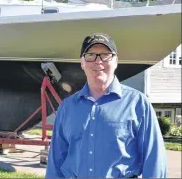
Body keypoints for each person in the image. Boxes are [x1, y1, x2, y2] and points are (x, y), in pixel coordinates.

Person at [46, 32, 167, 178]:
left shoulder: (138, 104)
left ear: (116, 61)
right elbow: (56, 162)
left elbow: (154, 159)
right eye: (90, 55)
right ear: (82, 63)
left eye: (105, 55)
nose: (98, 61)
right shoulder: (67, 108)